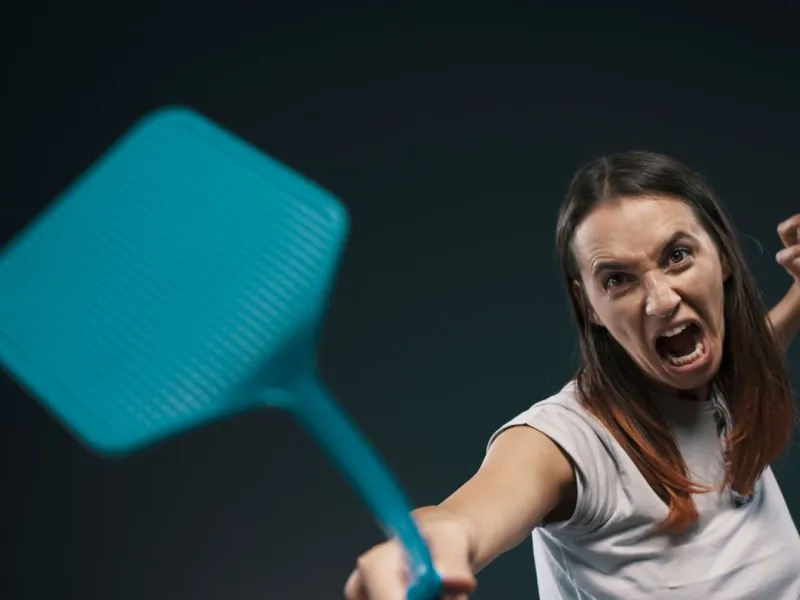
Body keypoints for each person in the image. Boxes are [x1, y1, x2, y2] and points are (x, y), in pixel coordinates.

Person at [343, 151, 800, 599]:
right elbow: (470, 514)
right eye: (618, 280)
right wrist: (427, 549)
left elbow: (756, 354)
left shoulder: (719, 380)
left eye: (677, 255)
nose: (660, 300)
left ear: (721, 256)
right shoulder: (572, 441)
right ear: (589, 306)